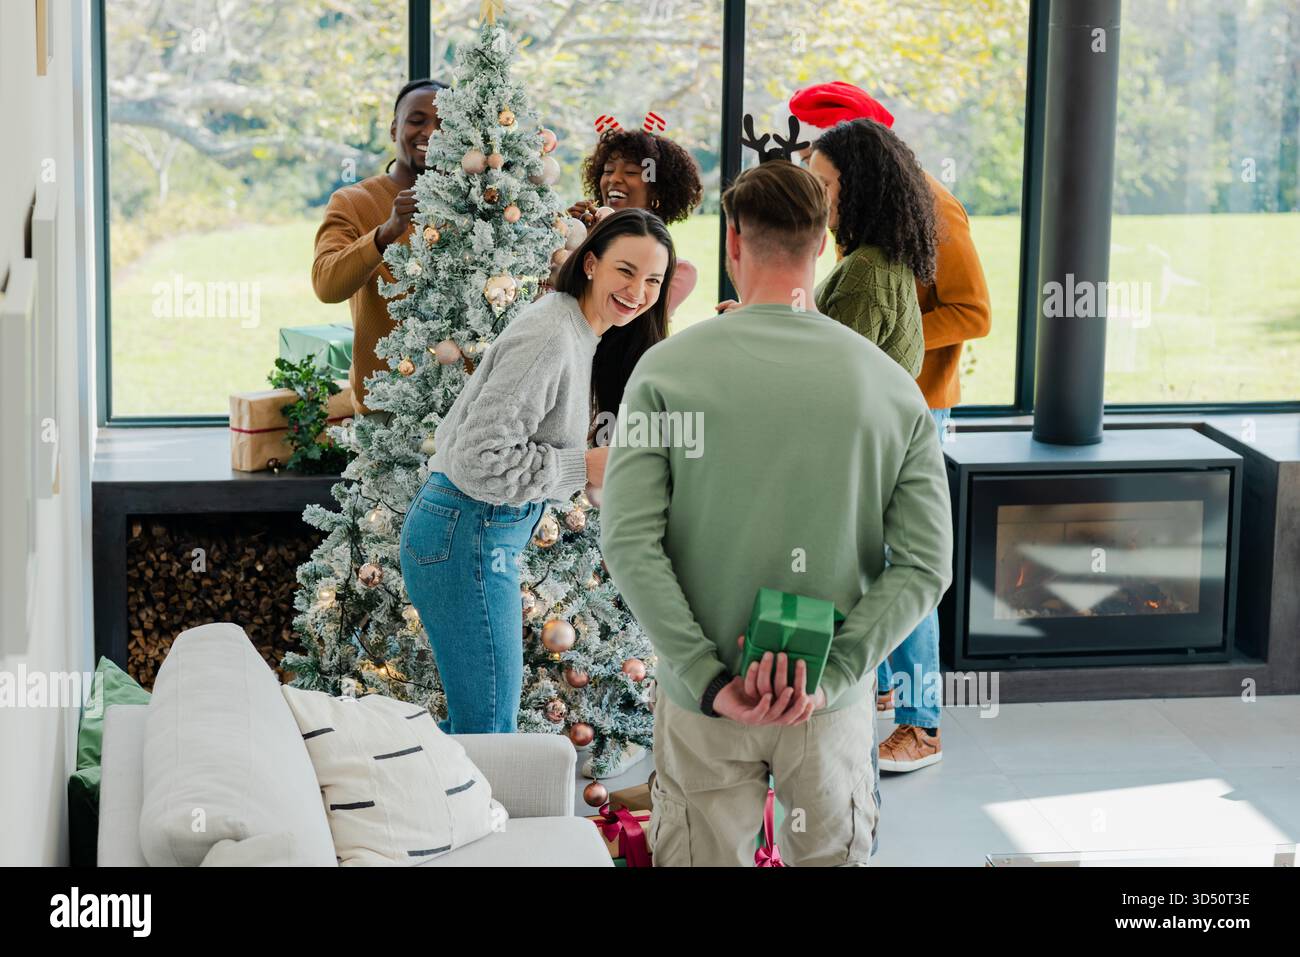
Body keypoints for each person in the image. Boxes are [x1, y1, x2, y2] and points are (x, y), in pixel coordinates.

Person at [599, 162, 952, 866]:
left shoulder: (667, 372)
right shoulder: (890, 387)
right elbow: (925, 564)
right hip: (827, 709)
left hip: (704, 706)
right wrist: (833, 673)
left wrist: (707, 675)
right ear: (822, 243)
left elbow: (629, 540)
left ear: (734, 241)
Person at [400, 209, 674, 734]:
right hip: (466, 534)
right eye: (626, 271)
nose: (638, 291)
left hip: (475, 534)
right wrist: (584, 465)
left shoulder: (581, 331)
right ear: (590, 264)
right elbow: (480, 457)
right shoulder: (552, 334)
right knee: (488, 730)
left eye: (653, 280)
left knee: (487, 722)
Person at [791, 81, 992, 771]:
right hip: (876, 401)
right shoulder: (869, 216)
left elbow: (974, 312)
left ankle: (921, 721)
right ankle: (876, 688)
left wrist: (885, 339)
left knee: (902, 561)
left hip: (916, 404)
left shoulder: (935, 208)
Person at [312, 78, 447, 419]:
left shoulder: (480, 206)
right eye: (417, 121)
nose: (430, 132)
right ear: (393, 129)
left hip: (467, 409)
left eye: (444, 123)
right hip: (387, 413)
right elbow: (326, 284)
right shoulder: (353, 202)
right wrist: (384, 234)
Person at [566, 125, 703, 319]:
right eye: (608, 170)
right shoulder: (581, 240)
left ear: (657, 191)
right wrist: (569, 238)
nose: (614, 179)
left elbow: (611, 317)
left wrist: (595, 241)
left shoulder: (678, 275)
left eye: (630, 172)